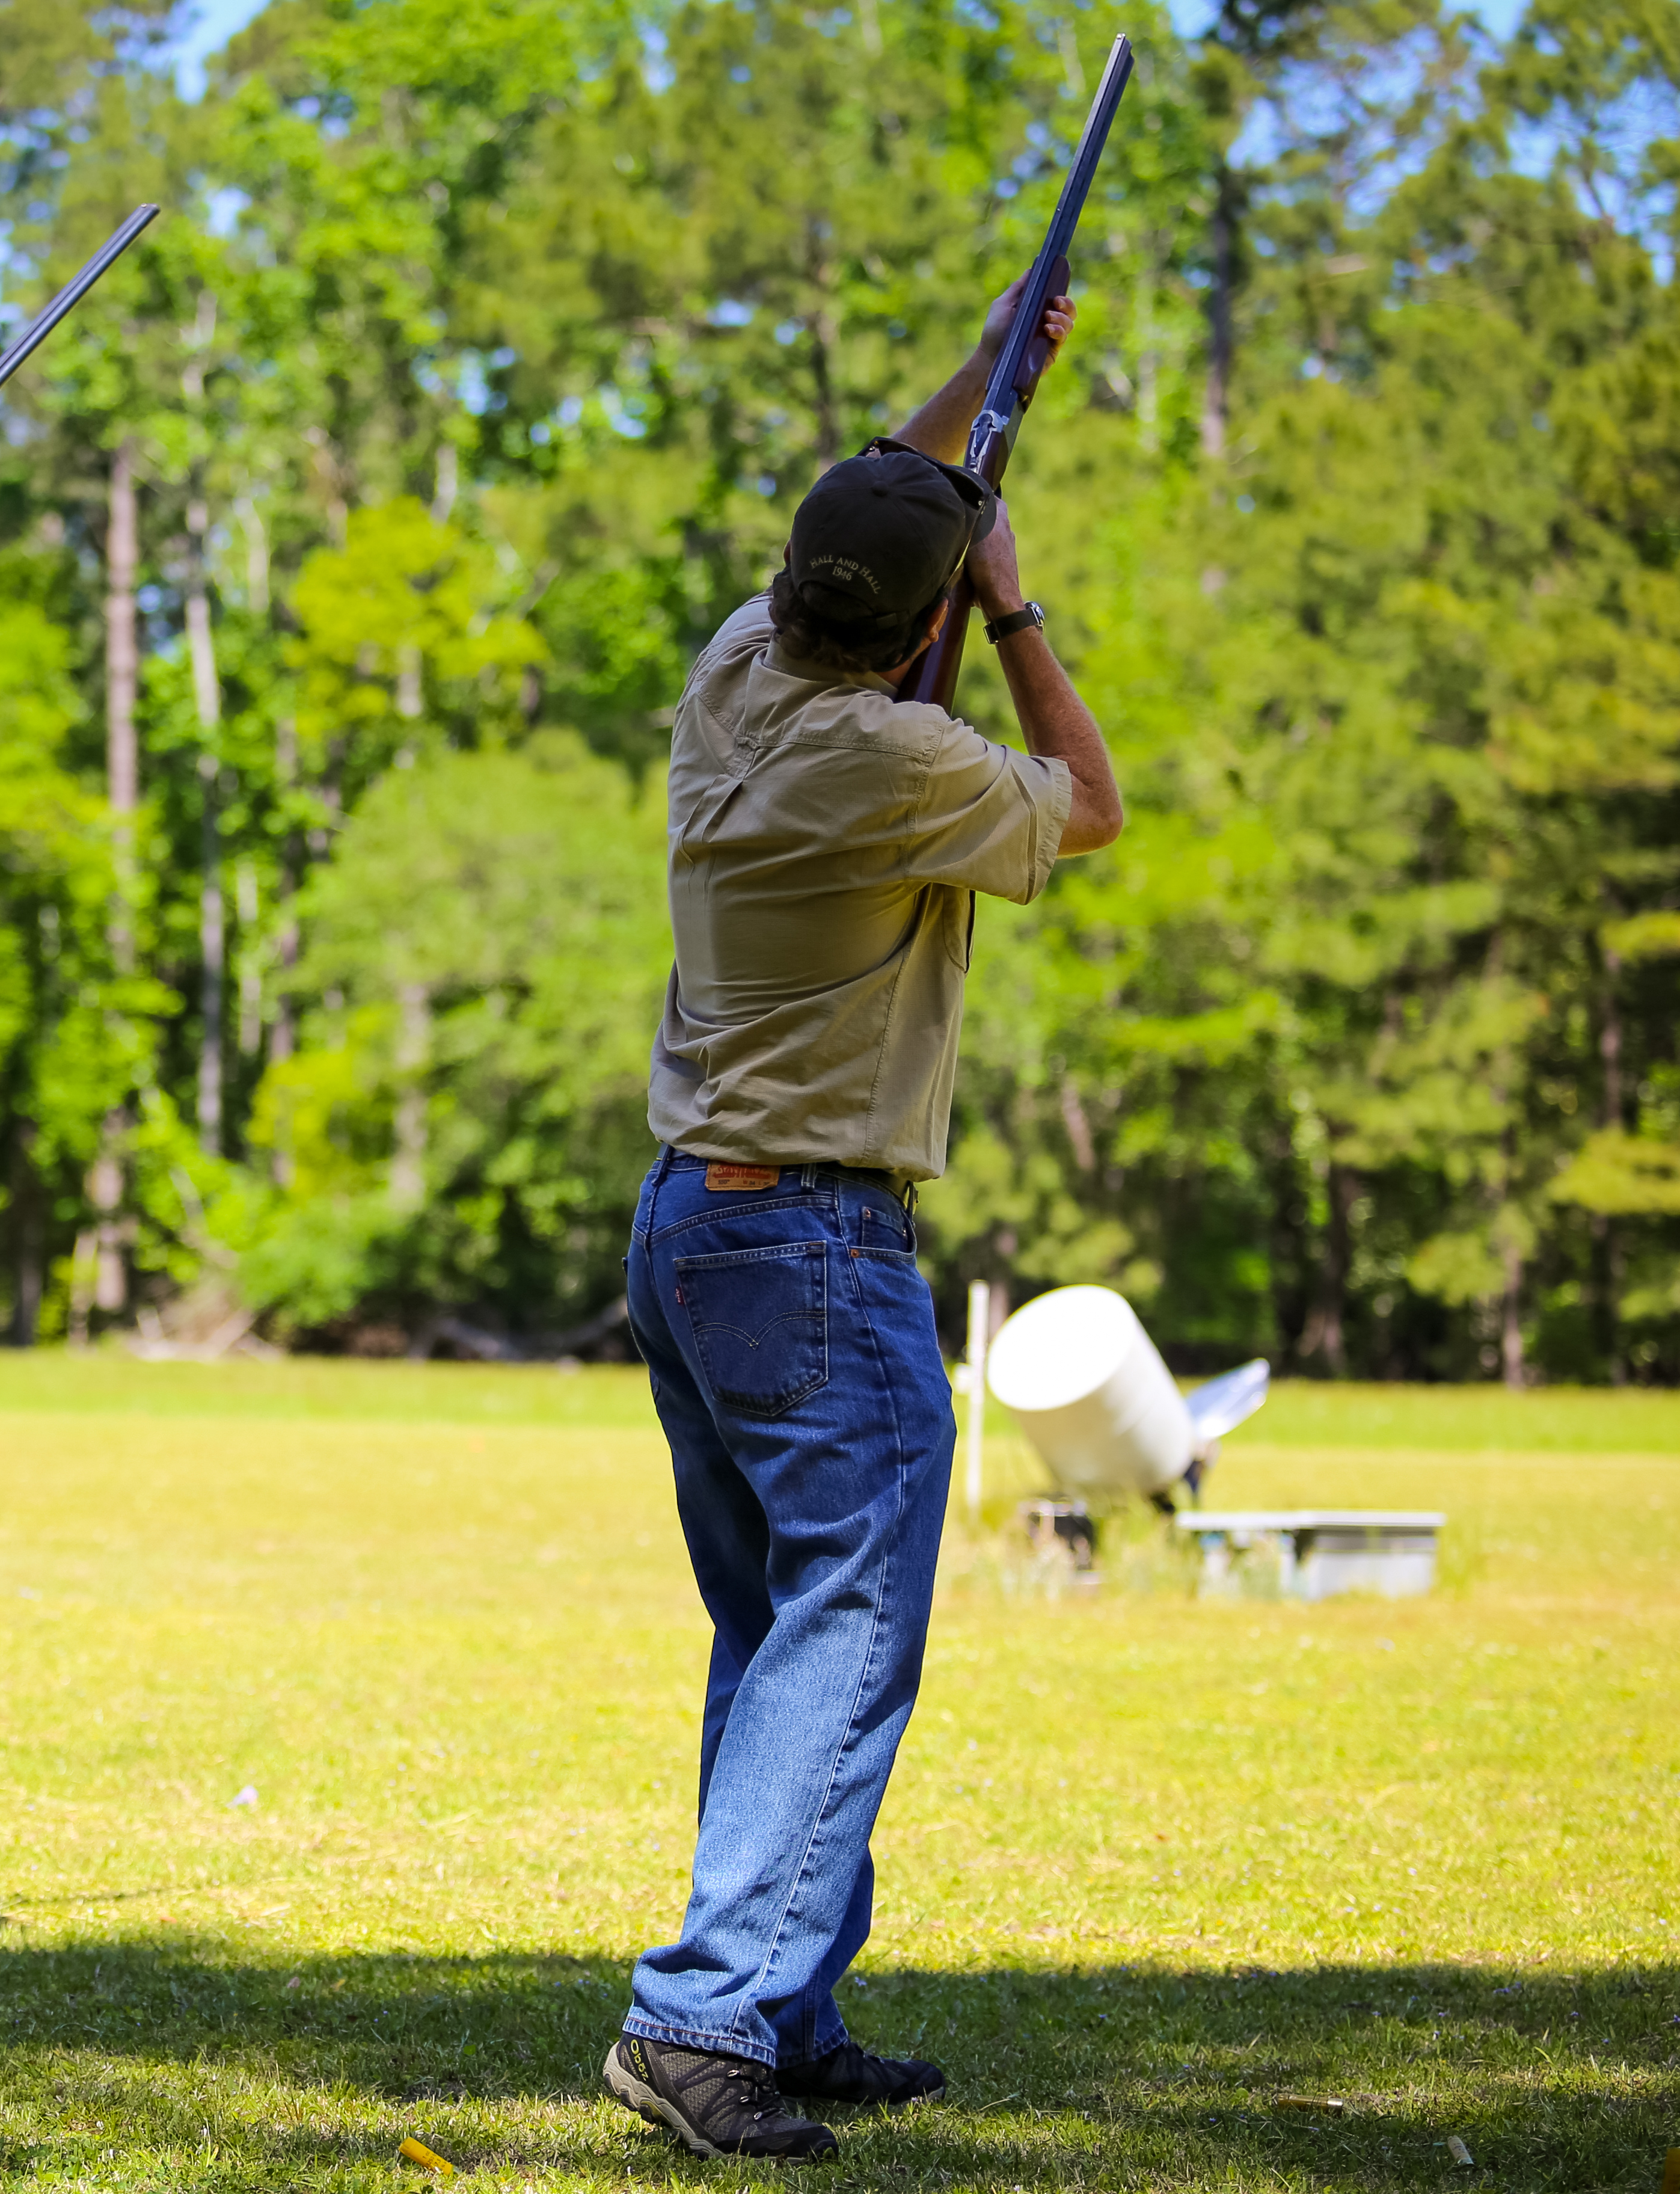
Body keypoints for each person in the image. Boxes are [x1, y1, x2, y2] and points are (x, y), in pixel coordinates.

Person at [598, 284, 1124, 2159]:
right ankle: (709, 2019)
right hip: (812, 1244)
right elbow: (1090, 806)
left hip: (695, 1229)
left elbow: (893, 488)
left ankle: (784, 1999)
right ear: (920, 623)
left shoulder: (741, 664)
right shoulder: (893, 762)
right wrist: (1017, 603)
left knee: (776, 1633)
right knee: (846, 1632)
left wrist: (1006, 361)